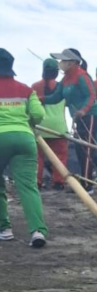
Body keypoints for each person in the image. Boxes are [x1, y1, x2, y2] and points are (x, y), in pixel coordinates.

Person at [45, 49, 97, 190]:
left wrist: (83, 110)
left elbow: (91, 95)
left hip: (91, 117)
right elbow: (55, 98)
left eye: (63, 61)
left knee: (86, 150)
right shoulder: (65, 80)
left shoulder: (82, 76)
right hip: (80, 118)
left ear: (71, 62)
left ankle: (87, 185)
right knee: (82, 150)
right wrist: (38, 99)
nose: (60, 64)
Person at [0, 49, 47, 247]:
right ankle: (38, 231)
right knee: (28, 187)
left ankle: (4, 228)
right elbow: (38, 115)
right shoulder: (26, 90)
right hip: (25, 138)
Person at [32, 59, 69, 191]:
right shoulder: (63, 87)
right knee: (59, 156)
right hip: (59, 127)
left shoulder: (35, 86)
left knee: (38, 156)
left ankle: (37, 182)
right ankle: (58, 182)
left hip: (40, 126)